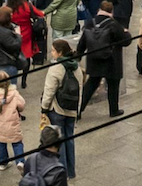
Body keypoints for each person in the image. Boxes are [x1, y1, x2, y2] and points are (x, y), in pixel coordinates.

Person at [40, 39, 83, 179]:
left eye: (53, 50)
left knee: (60, 141)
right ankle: (71, 171)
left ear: (60, 53)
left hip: (57, 109)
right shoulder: (76, 67)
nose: (51, 52)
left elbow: (49, 91)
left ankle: (62, 172)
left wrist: (44, 108)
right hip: (72, 109)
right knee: (70, 139)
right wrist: (78, 110)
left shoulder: (56, 68)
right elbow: (80, 90)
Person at [78, 1, 128, 118]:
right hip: (112, 60)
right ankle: (113, 110)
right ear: (111, 11)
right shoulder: (114, 24)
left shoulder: (90, 23)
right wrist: (126, 33)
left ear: (99, 10)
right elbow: (126, 41)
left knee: (91, 85)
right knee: (113, 85)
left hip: (94, 59)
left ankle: (79, 109)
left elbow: (83, 42)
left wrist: (78, 55)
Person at [0, 71, 26, 171]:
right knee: (17, 143)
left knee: (1, 143)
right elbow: (21, 105)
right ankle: (20, 161)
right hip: (12, 125)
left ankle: (3, 162)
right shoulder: (14, 94)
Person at [7, 0, 44, 89]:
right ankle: (24, 80)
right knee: (27, 56)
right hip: (27, 33)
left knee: (13, 58)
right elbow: (40, 14)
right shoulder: (27, 6)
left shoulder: (8, 8)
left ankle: (12, 81)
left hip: (13, 34)